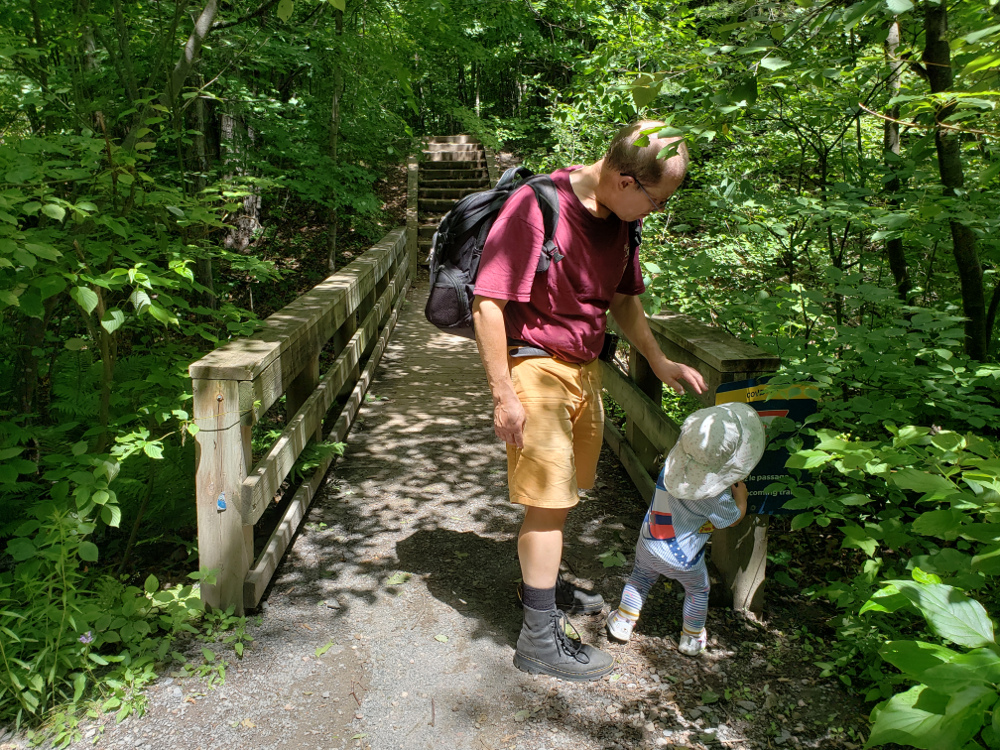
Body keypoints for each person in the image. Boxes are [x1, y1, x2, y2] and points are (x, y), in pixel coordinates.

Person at [471, 120, 707, 682]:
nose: (656, 212)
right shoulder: (537, 206)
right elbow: (487, 301)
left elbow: (624, 302)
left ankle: (542, 590)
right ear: (625, 180)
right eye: (655, 200)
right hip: (535, 365)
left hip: (586, 369)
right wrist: (503, 394)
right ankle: (537, 639)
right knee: (548, 502)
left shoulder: (621, 224)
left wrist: (658, 361)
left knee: (566, 494)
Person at [606, 402, 765, 655]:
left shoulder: (673, 463)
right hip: (685, 559)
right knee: (698, 590)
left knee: (639, 579)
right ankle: (691, 638)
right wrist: (742, 499)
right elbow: (731, 519)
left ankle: (622, 622)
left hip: (649, 541)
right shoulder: (716, 495)